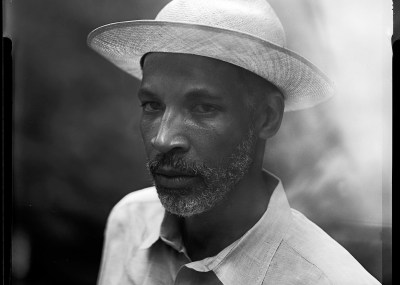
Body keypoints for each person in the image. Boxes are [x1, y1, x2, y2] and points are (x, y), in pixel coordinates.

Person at [88, 0, 381, 284]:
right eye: (152, 105)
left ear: (267, 117)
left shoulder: (328, 278)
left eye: (203, 108)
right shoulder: (129, 222)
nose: (163, 139)